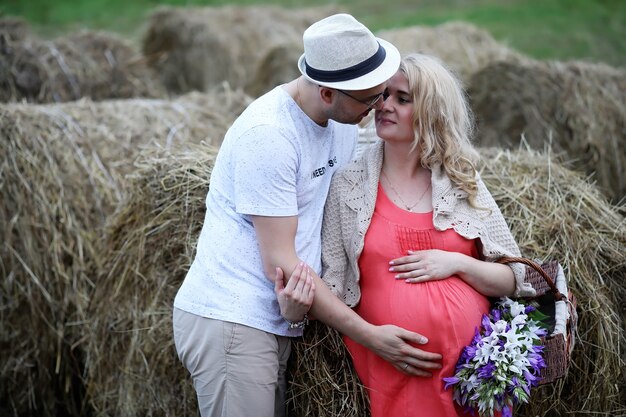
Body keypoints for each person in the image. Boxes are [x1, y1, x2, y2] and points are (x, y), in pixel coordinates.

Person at [172, 15, 441, 417]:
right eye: (370, 100)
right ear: (328, 93)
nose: (378, 106)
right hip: (235, 319)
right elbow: (281, 262)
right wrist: (370, 336)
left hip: (281, 315)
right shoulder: (270, 136)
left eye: (382, 94)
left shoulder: (341, 119)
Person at [320, 53, 537, 417]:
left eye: (402, 99)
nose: (384, 105)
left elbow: (513, 278)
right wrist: (370, 337)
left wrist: (455, 263)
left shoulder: (461, 181)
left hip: (467, 375)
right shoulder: (348, 184)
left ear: (431, 112)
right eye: (383, 95)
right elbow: (332, 282)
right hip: (391, 362)